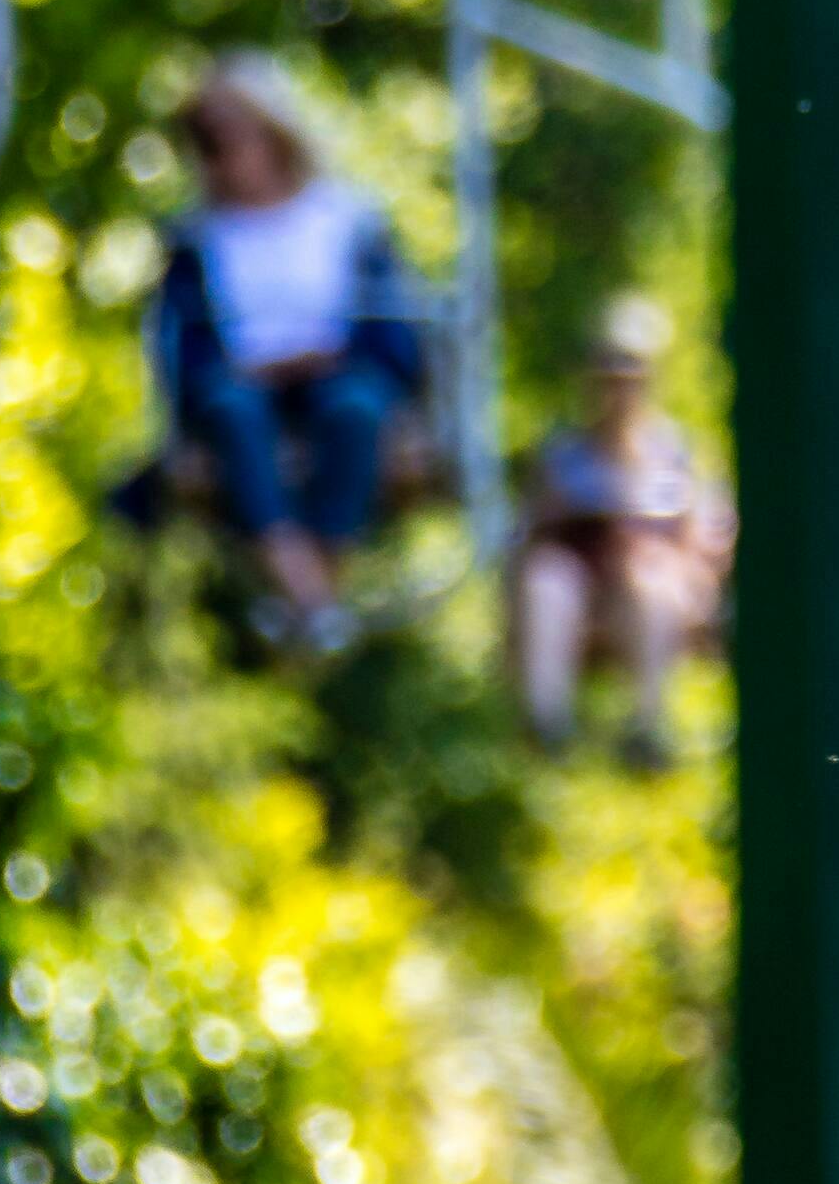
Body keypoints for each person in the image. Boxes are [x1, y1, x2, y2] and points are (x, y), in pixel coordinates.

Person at [133, 64, 436, 638]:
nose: (221, 155)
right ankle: (316, 603)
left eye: (229, 136)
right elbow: (182, 354)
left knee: (356, 410)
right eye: (205, 141)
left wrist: (338, 364)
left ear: (274, 133)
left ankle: (302, 605)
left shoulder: (348, 221)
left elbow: (395, 339)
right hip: (239, 390)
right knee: (233, 412)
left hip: (339, 382)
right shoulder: (196, 240)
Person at [507, 295, 728, 760]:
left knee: (648, 579)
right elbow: (527, 541)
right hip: (578, 592)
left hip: (647, 594)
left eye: (628, 381)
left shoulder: (677, 455)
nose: (617, 394)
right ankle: (547, 724)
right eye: (608, 381)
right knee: (546, 581)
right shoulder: (563, 456)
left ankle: (648, 726)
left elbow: (703, 543)